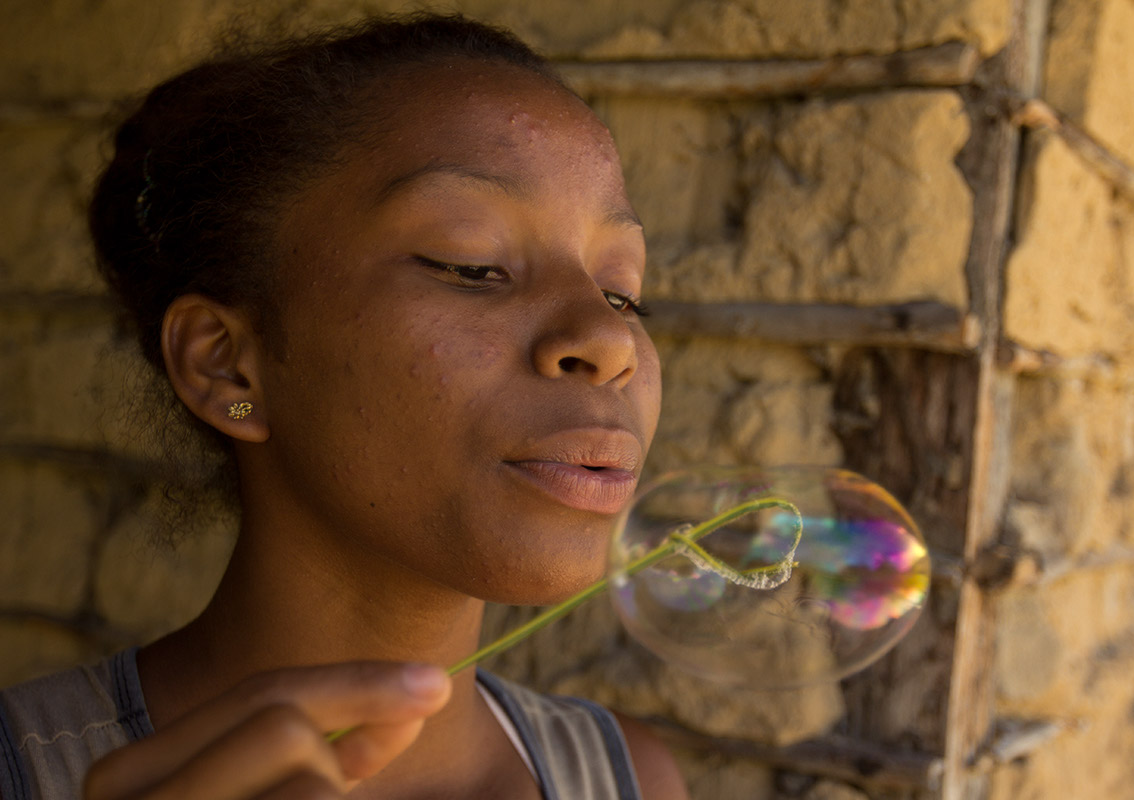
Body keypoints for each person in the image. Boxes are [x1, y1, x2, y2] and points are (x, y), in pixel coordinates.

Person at [0, 13, 687, 800]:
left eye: (622, 291)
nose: (608, 338)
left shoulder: (627, 779)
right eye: (473, 265)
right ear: (225, 365)